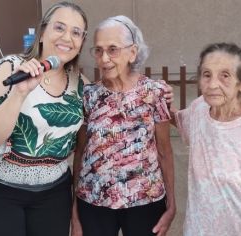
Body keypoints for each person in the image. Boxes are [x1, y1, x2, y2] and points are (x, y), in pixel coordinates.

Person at [0, 2, 90, 236]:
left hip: (53, 193)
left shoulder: (82, 85)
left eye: (76, 32)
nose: (67, 37)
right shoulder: (11, 68)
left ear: (82, 41)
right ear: (42, 32)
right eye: (59, 28)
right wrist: (19, 93)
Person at [71, 15, 176, 236]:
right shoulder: (88, 96)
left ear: (133, 52)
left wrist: (172, 205)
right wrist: (75, 212)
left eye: (113, 49)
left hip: (144, 200)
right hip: (94, 201)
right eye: (98, 50)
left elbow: (165, 151)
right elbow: (80, 153)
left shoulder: (154, 92)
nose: (104, 58)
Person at [170, 42, 241, 236]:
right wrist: (157, 96)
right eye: (207, 75)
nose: (213, 84)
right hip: (198, 230)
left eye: (225, 76)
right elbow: (180, 122)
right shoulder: (200, 108)